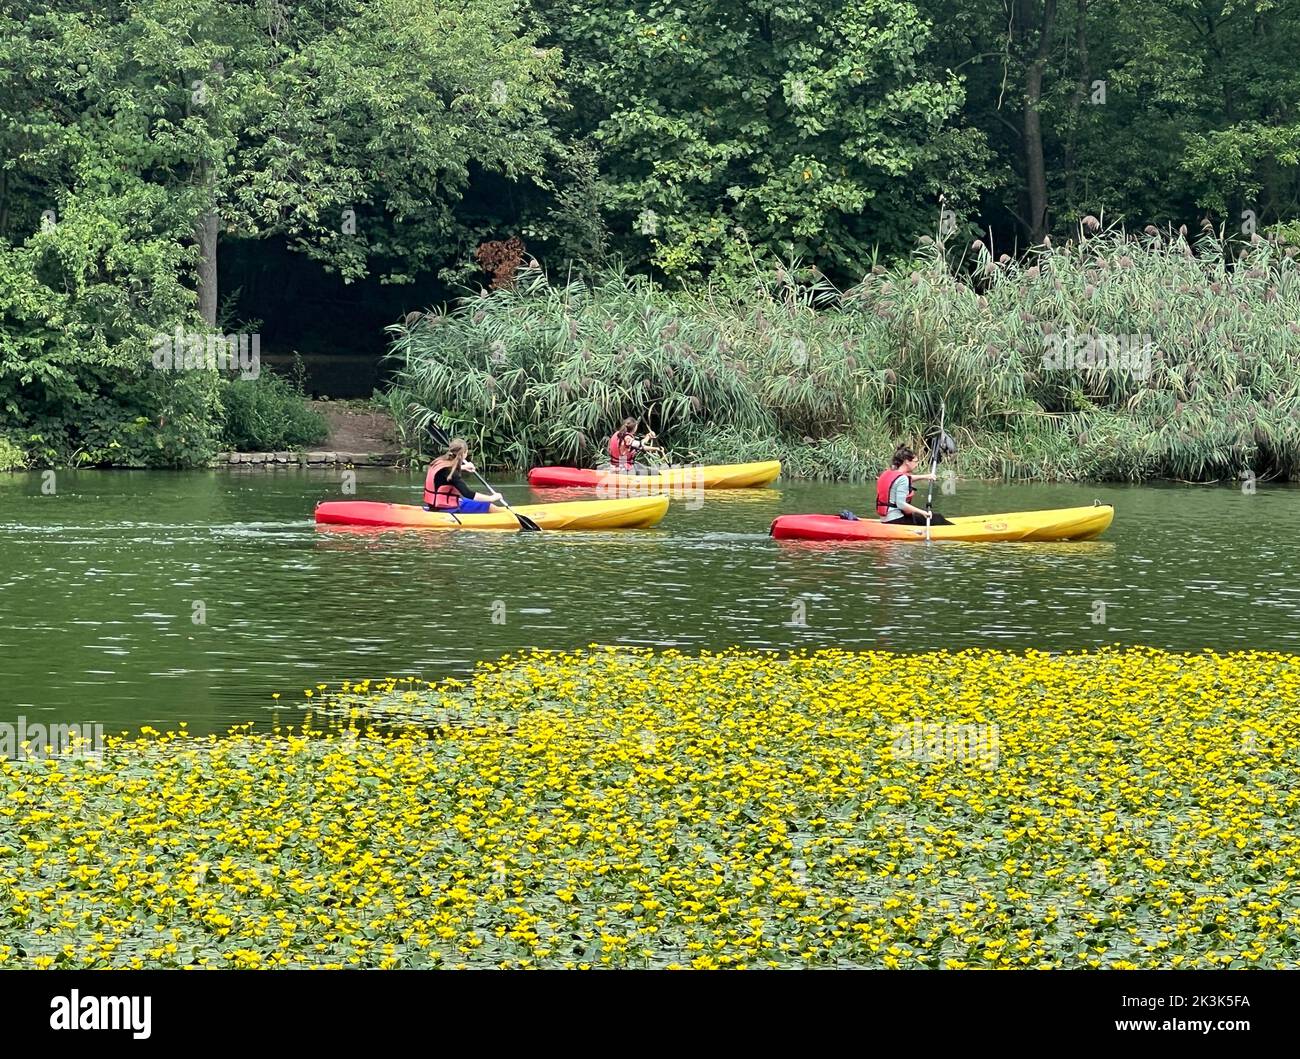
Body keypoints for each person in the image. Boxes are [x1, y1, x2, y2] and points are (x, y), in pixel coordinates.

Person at [875, 444, 952, 526]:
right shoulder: (902, 479)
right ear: (907, 462)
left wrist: (926, 476)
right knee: (937, 519)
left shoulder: (888, 473)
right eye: (915, 462)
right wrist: (922, 512)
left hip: (886, 518)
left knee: (935, 517)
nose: (917, 464)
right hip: (896, 520)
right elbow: (901, 504)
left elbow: (908, 478)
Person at [423, 438, 502, 513]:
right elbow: (468, 494)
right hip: (447, 508)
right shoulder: (453, 474)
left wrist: (463, 467)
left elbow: (444, 472)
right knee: (489, 506)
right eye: (466, 453)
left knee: (463, 500)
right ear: (464, 453)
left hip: (433, 505)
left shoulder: (439, 461)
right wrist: (491, 498)